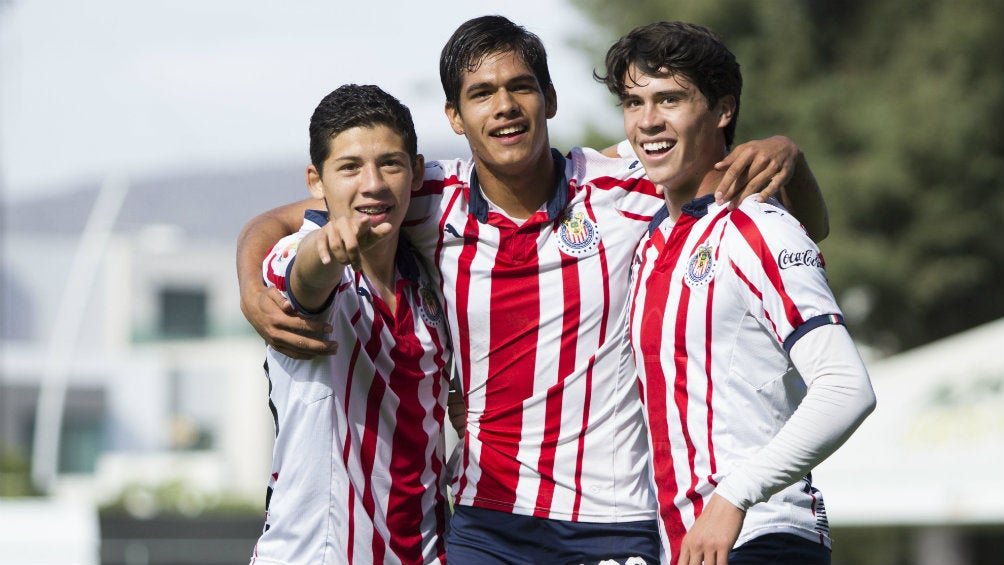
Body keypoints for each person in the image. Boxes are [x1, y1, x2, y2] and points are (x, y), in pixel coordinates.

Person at [237, 16, 828, 565]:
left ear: (549, 99)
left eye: (520, 87)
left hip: (613, 519)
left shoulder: (627, 185)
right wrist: (250, 283)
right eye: (481, 93)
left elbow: (807, 225)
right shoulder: (424, 196)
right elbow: (290, 219)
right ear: (454, 115)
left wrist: (790, 159)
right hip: (484, 521)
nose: (504, 108)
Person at [596, 21, 876, 565]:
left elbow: (847, 387)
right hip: (685, 546)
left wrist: (732, 496)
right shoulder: (652, 234)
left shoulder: (756, 227)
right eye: (633, 102)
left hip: (764, 536)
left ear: (723, 111)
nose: (648, 120)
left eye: (670, 99)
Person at [248, 84, 451, 565]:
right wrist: (326, 250)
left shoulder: (425, 278)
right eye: (350, 167)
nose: (373, 183)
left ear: (416, 172)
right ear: (316, 181)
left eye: (391, 164)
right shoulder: (304, 258)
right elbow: (305, 278)